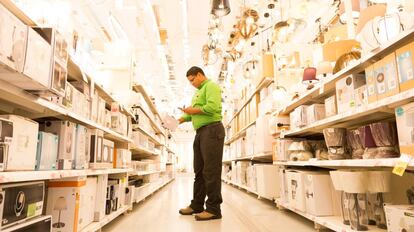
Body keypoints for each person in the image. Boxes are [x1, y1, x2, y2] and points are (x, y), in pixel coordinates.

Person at [178, 66, 225, 221]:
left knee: (211, 171)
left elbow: (212, 108)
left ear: (199, 75)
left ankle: (213, 209)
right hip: (201, 132)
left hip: (212, 130)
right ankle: (197, 204)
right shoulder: (198, 92)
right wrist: (177, 120)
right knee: (199, 171)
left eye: (192, 80)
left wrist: (193, 111)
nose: (191, 83)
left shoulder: (211, 86)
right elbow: (192, 115)